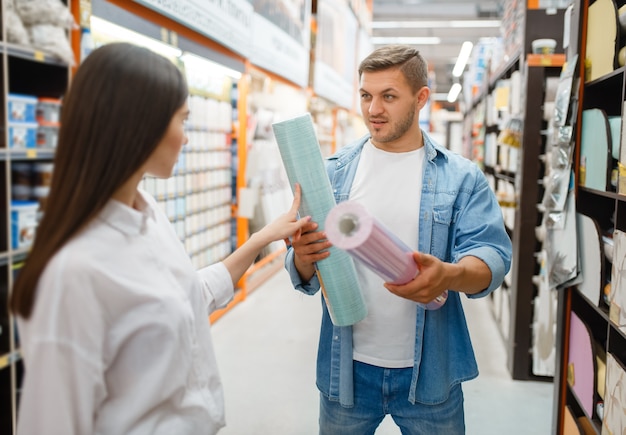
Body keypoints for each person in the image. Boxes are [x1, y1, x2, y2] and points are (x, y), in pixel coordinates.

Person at [9, 42, 310, 435]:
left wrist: (260, 239)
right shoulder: (74, 272)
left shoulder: (147, 212)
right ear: (140, 125)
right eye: (182, 120)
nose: (187, 138)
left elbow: (186, 299)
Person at [285, 45, 512, 434]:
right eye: (366, 95)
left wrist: (449, 276)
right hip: (348, 372)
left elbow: (490, 256)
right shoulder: (332, 175)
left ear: (421, 98)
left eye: (388, 96)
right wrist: (304, 257)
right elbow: (302, 265)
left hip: (429, 374)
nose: (373, 109)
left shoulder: (461, 177)